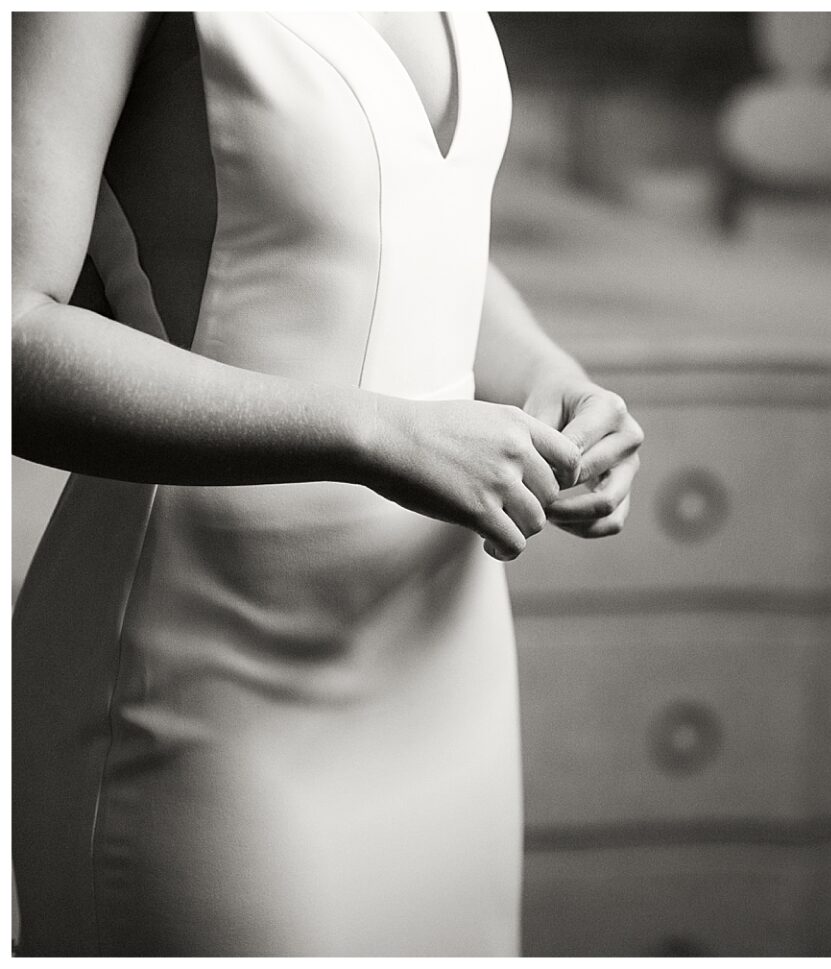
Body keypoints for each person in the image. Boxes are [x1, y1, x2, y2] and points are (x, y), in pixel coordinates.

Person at [11, 11, 643, 956]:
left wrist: (550, 374)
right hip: (206, 672)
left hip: (445, 660)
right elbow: (13, 336)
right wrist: (373, 432)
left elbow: (408, 213)